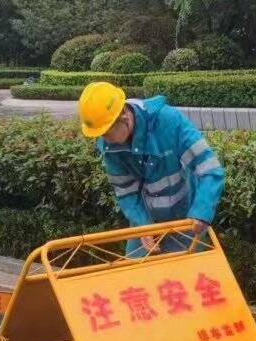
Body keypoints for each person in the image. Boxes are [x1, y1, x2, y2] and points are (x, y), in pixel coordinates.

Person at [77, 81, 225, 254]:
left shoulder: (169, 121)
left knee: (190, 276)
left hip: (187, 220)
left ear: (125, 116)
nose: (104, 140)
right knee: (137, 275)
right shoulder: (110, 147)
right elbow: (126, 192)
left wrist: (201, 211)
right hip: (147, 219)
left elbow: (209, 169)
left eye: (107, 133)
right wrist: (143, 226)